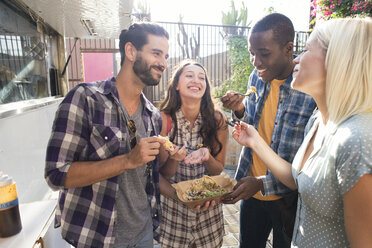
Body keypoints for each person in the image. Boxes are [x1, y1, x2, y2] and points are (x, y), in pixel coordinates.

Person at [230, 17, 372, 247]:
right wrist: (254, 140)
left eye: (305, 50)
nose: (297, 59)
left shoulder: (359, 140)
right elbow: (297, 178)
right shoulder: (318, 122)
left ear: (339, 61)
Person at [44, 22, 175, 248]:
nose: (164, 63)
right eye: (156, 54)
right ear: (131, 51)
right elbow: (56, 174)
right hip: (98, 236)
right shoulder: (85, 99)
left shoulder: (153, 116)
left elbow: (148, 179)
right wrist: (127, 160)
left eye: (166, 56)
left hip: (144, 233)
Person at [221, 13, 316, 248]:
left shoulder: (309, 86)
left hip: (287, 199)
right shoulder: (258, 75)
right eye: (253, 53)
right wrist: (240, 109)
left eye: (264, 53)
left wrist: (263, 183)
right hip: (250, 191)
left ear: (288, 48)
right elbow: (252, 123)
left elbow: (307, 163)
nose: (256, 62)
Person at [157, 59, 229, 248]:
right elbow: (163, 175)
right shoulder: (164, 120)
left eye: (201, 77)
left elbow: (217, 171)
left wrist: (207, 156)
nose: (196, 81)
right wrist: (174, 160)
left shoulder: (217, 119)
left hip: (209, 213)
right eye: (189, 76)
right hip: (174, 214)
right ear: (177, 85)